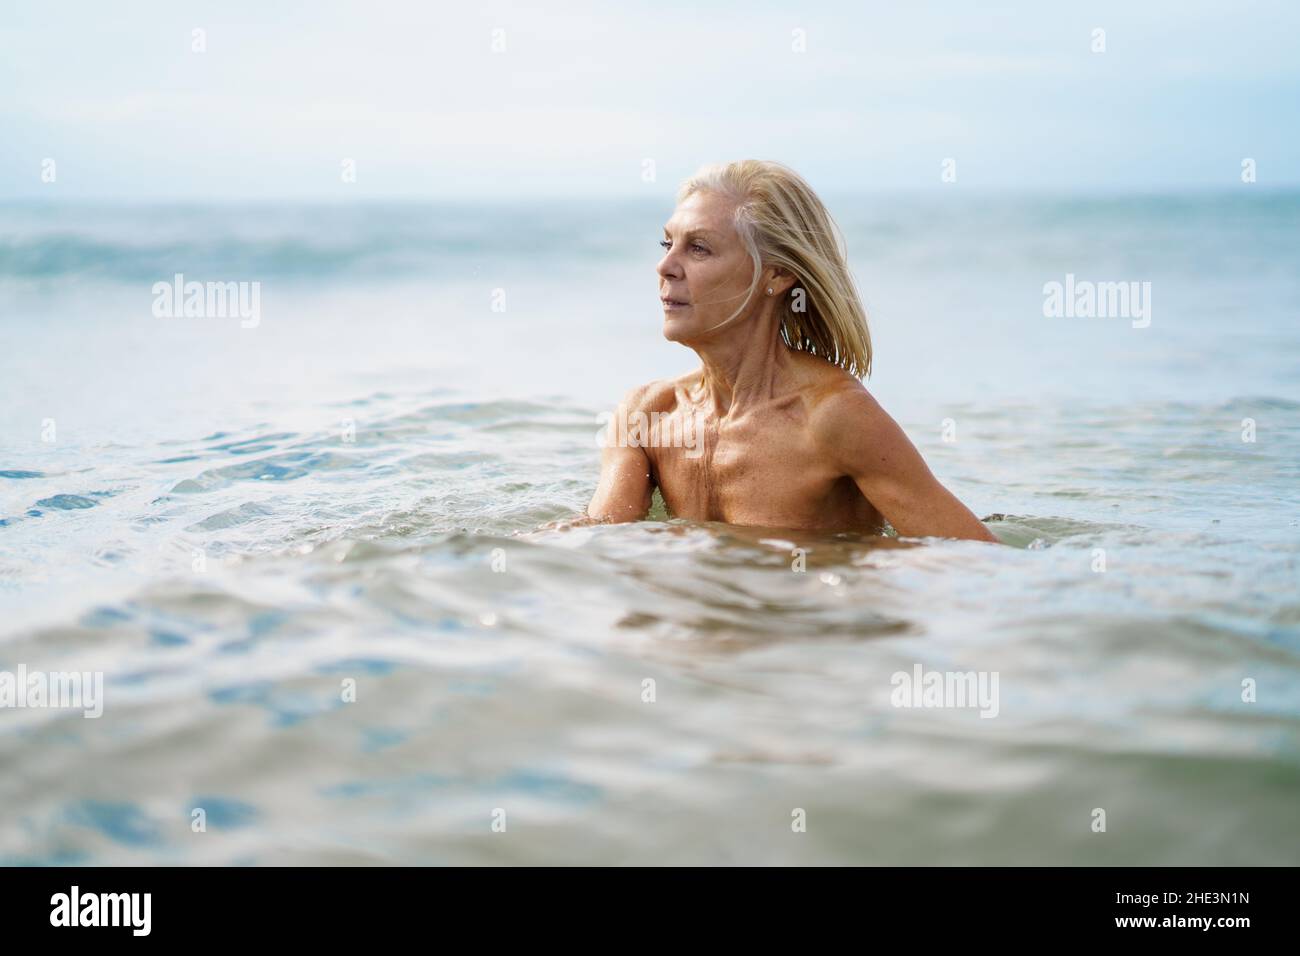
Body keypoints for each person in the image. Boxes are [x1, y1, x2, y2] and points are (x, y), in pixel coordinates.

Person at [585, 160, 998, 543]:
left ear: (777, 274)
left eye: (699, 249)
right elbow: (599, 542)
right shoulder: (647, 415)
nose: (665, 266)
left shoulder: (832, 418)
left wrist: (854, 560)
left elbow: (975, 558)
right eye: (667, 243)